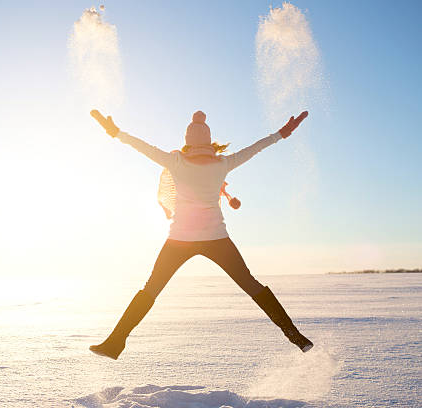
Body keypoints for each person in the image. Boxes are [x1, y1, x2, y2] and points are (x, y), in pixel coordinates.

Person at [89, 110, 313, 360]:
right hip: (216, 239)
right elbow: (255, 148)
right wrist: (281, 134)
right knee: (251, 285)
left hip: (179, 240)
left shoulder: (175, 162)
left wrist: (117, 133)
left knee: (150, 289)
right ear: (208, 141)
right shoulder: (223, 163)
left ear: (187, 140)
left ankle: (115, 342)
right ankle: (297, 337)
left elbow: (144, 147)